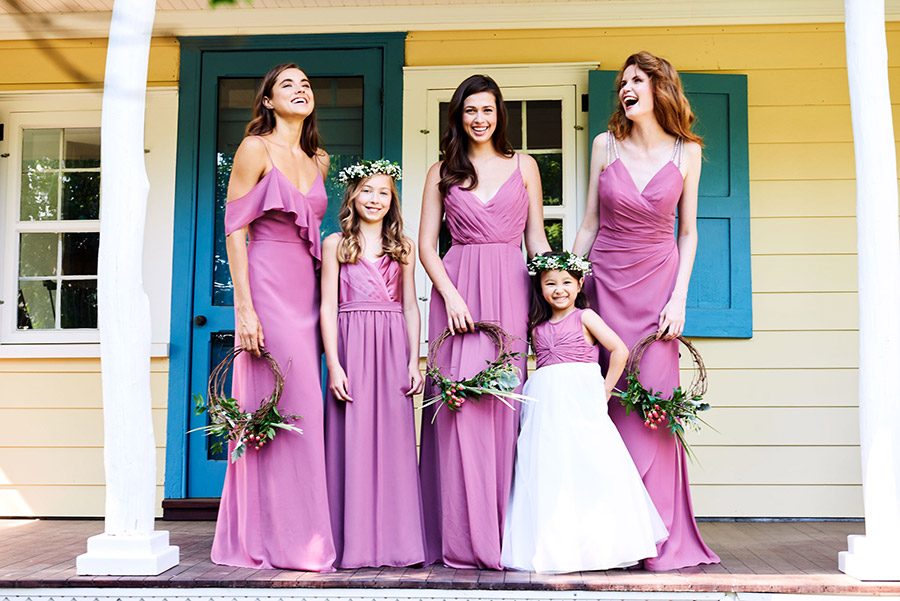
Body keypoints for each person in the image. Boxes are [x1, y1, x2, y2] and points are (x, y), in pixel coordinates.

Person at [572, 51, 719, 570]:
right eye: (622, 83)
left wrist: (679, 298)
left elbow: (689, 231)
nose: (626, 89)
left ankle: (656, 538)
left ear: (659, 88)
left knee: (652, 406)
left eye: (637, 80)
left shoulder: (687, 153)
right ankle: (607, 536)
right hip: (606, 284)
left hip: (658, 289)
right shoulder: (604, 145)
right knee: (603, 404)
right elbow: (589, 222)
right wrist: (567, 282)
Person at [418, 74, 551, 569]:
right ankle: (458, 535)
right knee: (460, 411)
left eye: (487, 110)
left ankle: (500, 536)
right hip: (458, 295)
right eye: (470, 110)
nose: (479, 119)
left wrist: (557, 291)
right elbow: (427, 246)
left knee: (502, 410)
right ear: (458, 116)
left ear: (499, 115)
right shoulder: (441, 171)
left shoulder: (526, 167)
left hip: (511, 292)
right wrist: (450, 295)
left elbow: (536, 240)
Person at [213, 63, 336, 571]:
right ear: (266, 101)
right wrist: (244, 305)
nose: (300, 89)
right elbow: (235, 228)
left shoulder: (320, 159)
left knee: (304, 405)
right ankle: (261, 536)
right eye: (288, 84)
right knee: (269, 400)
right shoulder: (254, 150)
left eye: (306, 83)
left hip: (304, 289)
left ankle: (304, 533)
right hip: (264, 283)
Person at [501, 251, 668, 573]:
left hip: (580, 395)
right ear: (540, 288)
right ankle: (552, 541)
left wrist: (605, 388)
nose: (558, 289)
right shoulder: (536, 325)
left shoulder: (585, 317)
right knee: (547, 462)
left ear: (579, 284)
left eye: (566, 282)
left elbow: (619, 349)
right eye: (550, 283)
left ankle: (597, 544)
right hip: (545, 398)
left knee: (588, 461)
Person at [321, 160, 427, 568]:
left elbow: (410, 307)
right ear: (352, 195)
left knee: (393, 442)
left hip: (391, 345)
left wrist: (413, 361)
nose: (375, 199)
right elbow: (328, 307)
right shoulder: (336, 244)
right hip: (350, 343)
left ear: (392, 200)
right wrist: (334, 365)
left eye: (384, 192)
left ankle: (395, 542)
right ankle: (355, 542)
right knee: (352, 440)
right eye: (367, 190)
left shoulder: (403, 245)